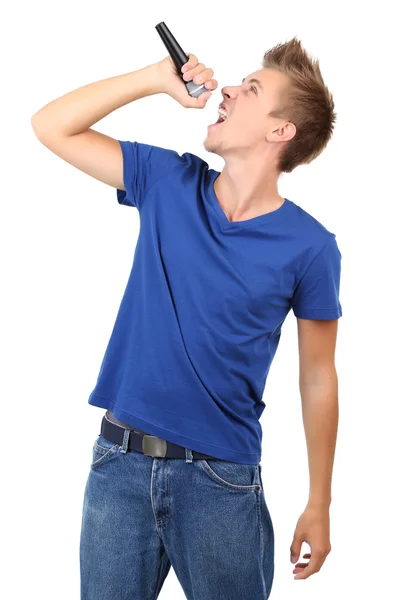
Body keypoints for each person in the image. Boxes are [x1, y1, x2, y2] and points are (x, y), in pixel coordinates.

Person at [31, 36, 342, 600]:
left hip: (221, 483)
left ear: (281, 131)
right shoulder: (167, 180)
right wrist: (154, 77)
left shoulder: (312, 248)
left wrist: (319, 501)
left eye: (251, 90)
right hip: (118, 470)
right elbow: (52, 125)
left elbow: (318, 377)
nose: (226, 89)